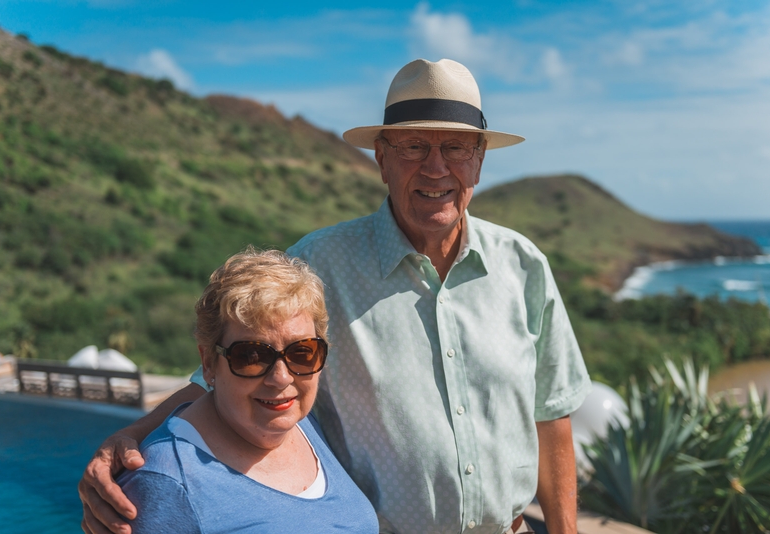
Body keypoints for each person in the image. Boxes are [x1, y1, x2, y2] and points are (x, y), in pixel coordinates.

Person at [80, 59, 591, 534]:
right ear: (382, 159)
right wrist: (130, 437)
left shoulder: (524, 266)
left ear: (478, 161)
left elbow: (553, 415)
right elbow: (226, 376)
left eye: (456, 148)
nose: (436, 168)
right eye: (413, 146)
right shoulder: (319, 265)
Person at [115, 248, 378, 533]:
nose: (281, 378)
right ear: (208, 363)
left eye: (302, 352)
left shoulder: (303, 426)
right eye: (252, 357)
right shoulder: (166, 484)